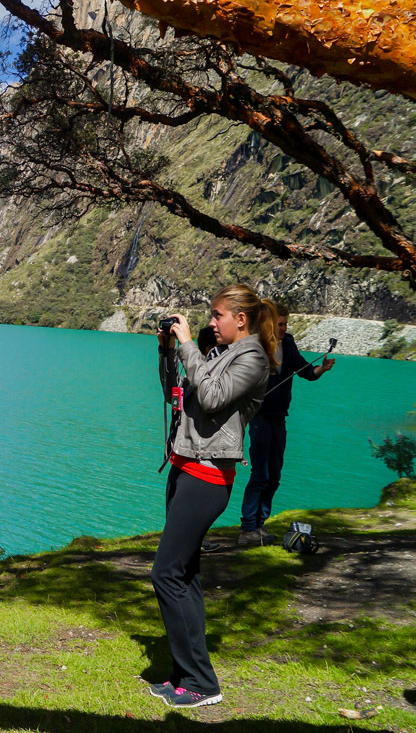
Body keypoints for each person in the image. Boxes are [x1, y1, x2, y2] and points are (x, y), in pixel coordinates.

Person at [150, 283, 277, 708]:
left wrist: (188, 345)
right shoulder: (219, 354)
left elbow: (211, 395)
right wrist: (170, 350)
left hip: (208, 479)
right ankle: (184, 676)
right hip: (184, 469)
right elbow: (178, 391)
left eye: (216, 315)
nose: (209, 322)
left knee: (165, 573)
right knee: (185, 575)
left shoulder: (253, 357)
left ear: (240, 319)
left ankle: (203, 683)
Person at [238, 300, 335, 545]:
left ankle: (260, 524)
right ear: (269, 324)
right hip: (260, 418)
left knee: (275, 475)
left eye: (286, 324)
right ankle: (248, 527)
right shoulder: (258, 345)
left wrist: (321, 369)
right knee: (260, 473)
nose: (283, 328)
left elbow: (306, 372)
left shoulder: (289, 344)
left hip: (279, 419)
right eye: (280, 324)